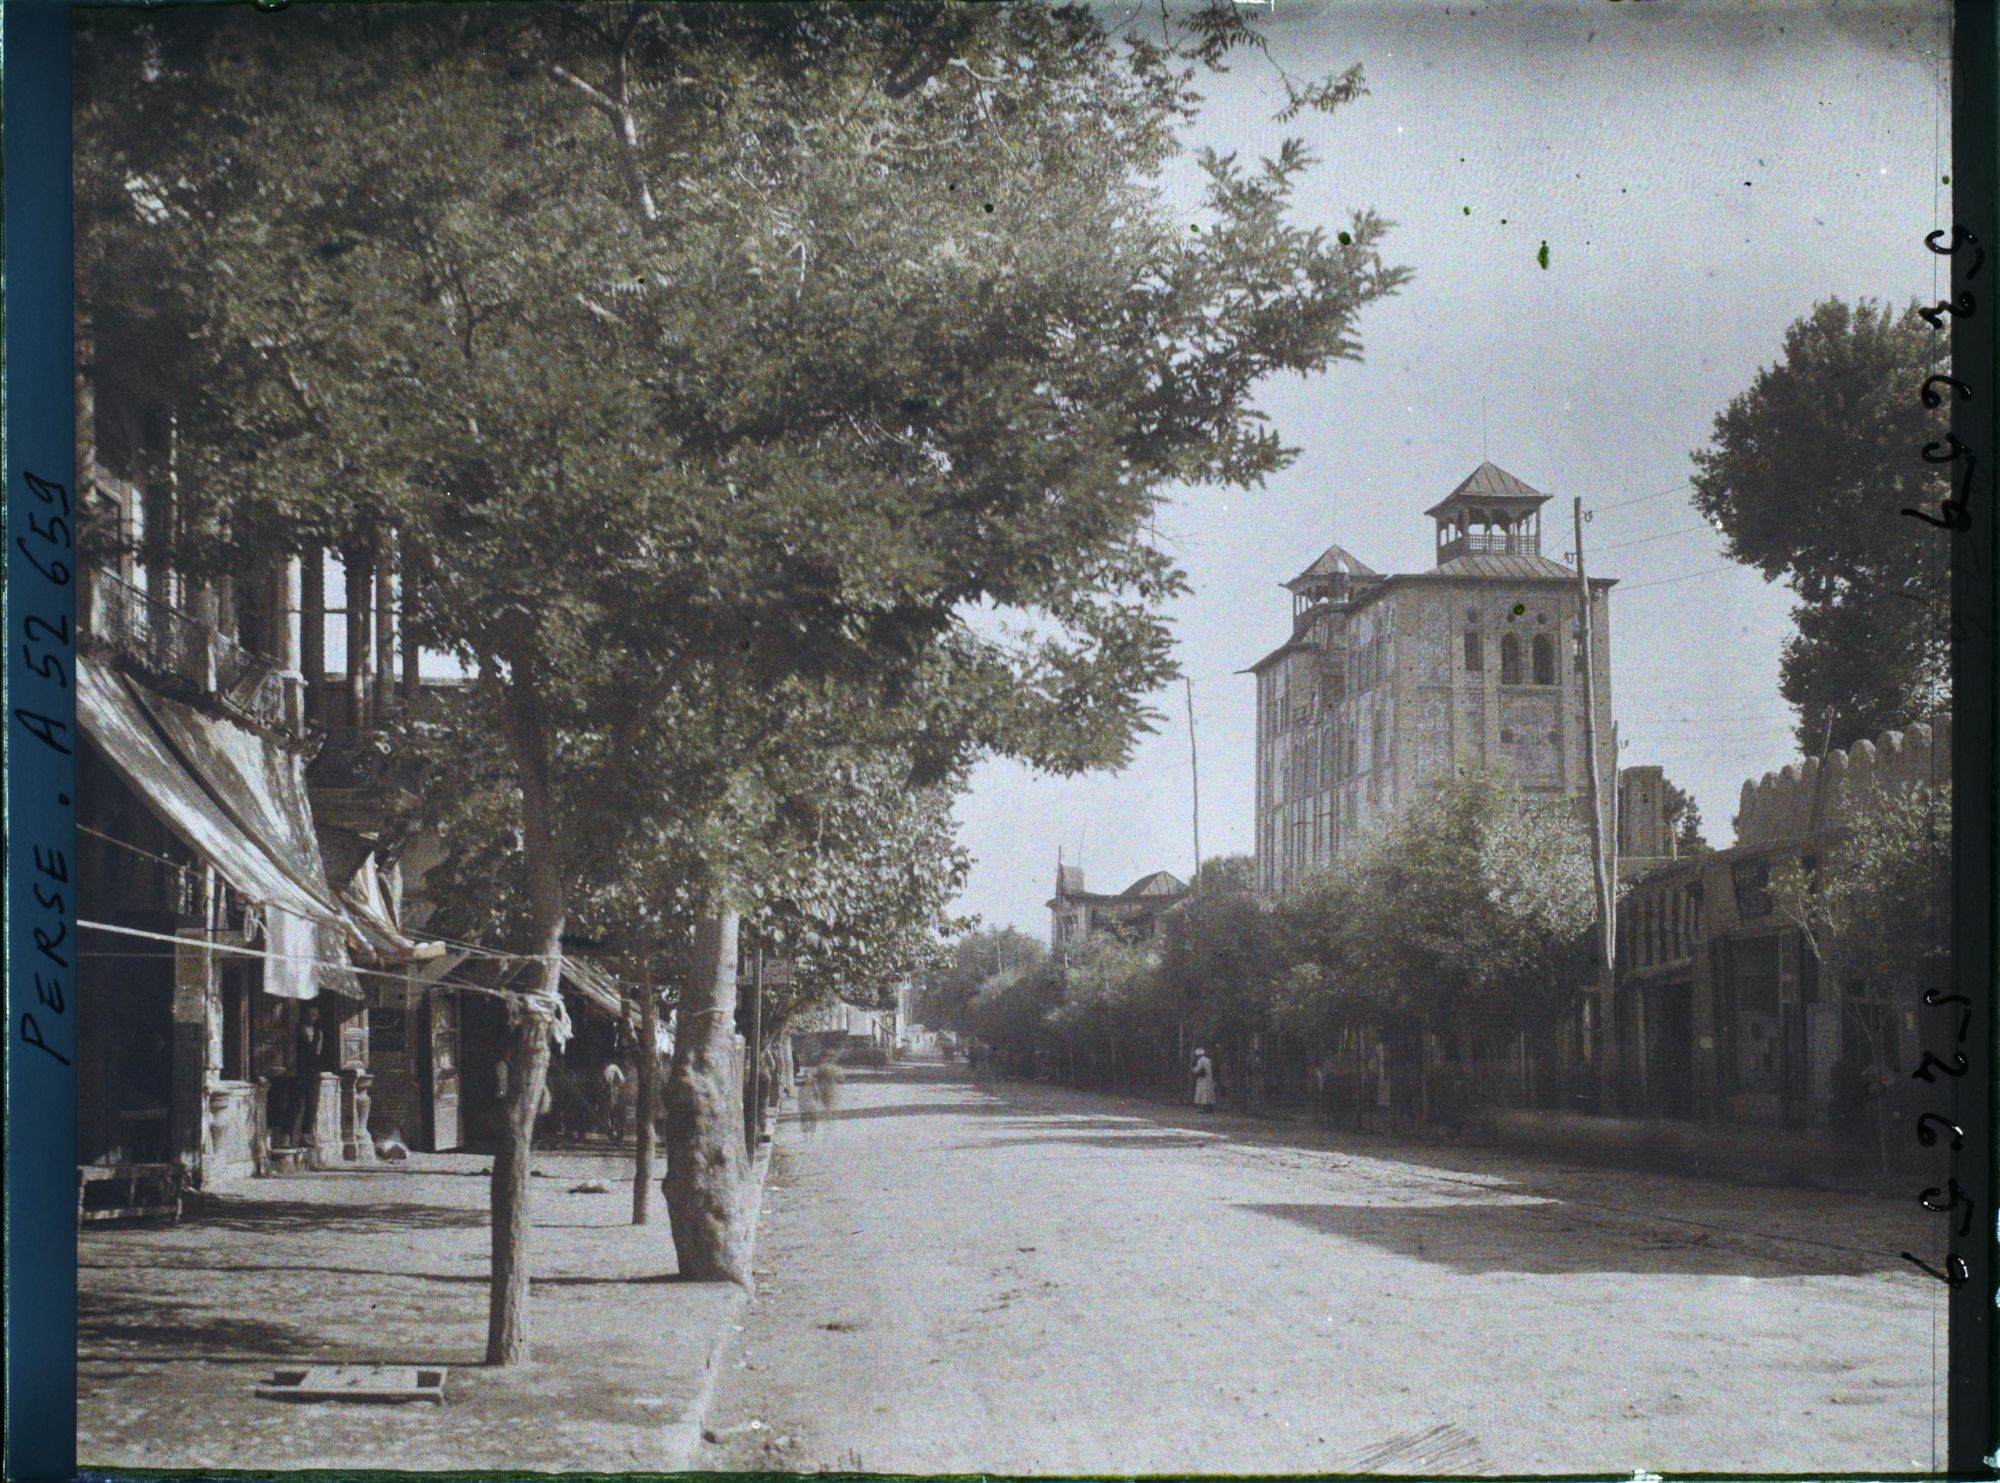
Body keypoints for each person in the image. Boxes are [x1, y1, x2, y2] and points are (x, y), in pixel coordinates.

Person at [598, 1056, 628, 1138]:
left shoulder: (611, 1068)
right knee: (610, 1111)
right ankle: (613, 1129)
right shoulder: (610, 1068)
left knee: (610, 1110)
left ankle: (613, 1129)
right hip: (611, 1091)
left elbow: (620, 1080)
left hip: (612, 1091)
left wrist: (613, 1086)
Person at [1192, 1046, 1216, 1113]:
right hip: (1209, 1078)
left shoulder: (1200, 1060)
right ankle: (1210, 1108)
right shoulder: (1208, 1060)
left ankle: (1205, 1109)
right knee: (1209, 1094)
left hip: (1202, 1079)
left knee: (1203, 1094)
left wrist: (1193, 1070)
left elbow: (1198, 1069)